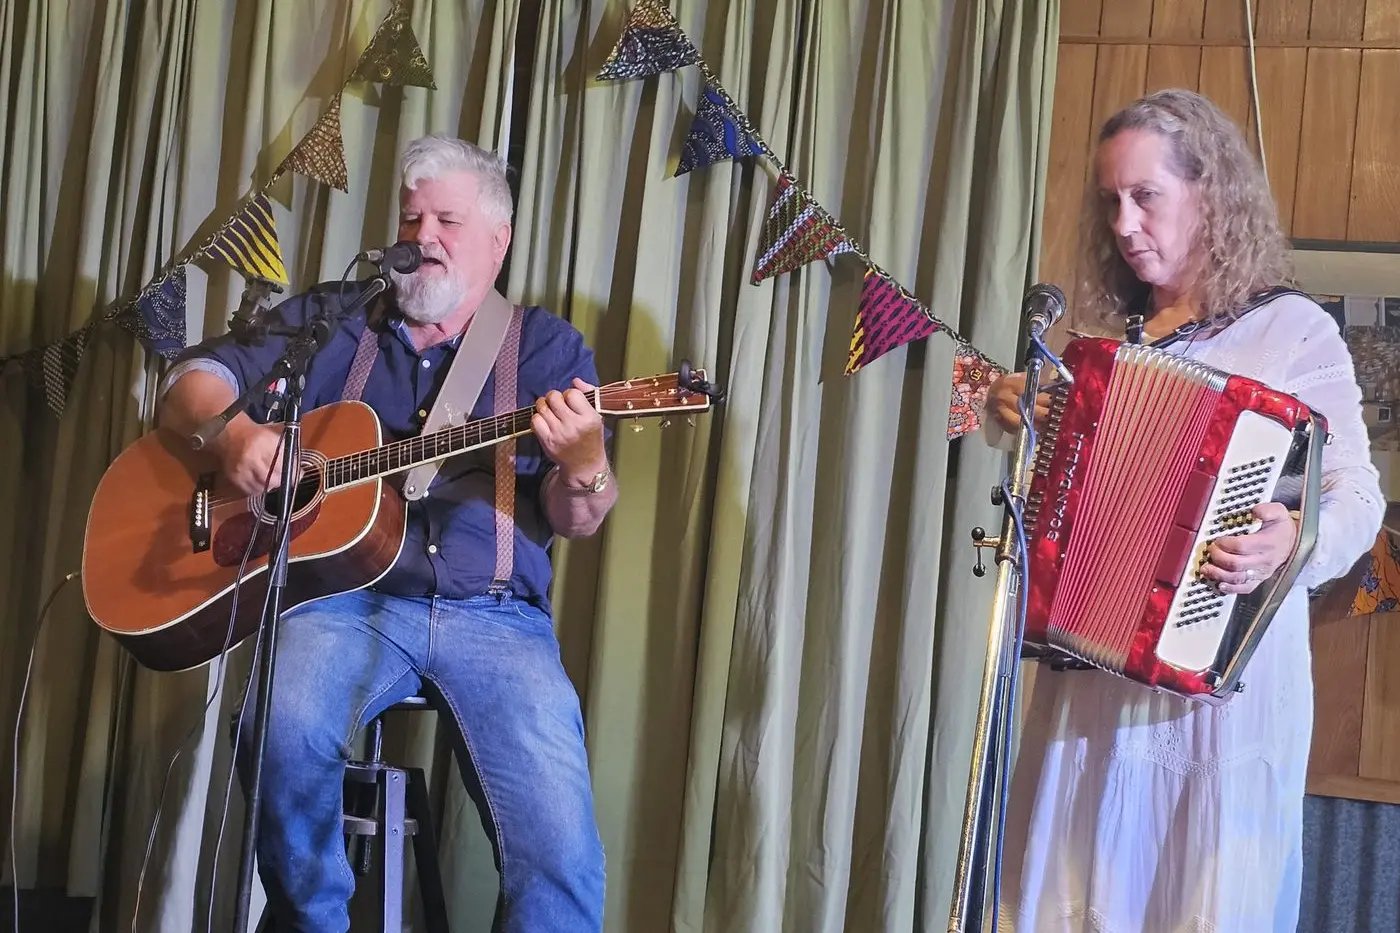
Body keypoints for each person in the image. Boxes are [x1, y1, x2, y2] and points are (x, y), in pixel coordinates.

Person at [158, 135, 615, 932]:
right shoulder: (334, 323)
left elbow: (579, 516)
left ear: (498, 241)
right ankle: (314, 921)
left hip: (495, 615)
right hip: (342, 602)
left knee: (562, 854)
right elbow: (187, 385)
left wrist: (585, 462)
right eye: (412, 218)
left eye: (447, 219)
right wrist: (234, 441)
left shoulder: (545, 349)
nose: (423, 237)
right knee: (279, 722)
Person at [983, 89, 1385, 931]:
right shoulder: (1109, 342)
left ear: (1210, 194)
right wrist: (1024, 419)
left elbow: (1356, 495)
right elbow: (1062, 507)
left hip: (1216, 710)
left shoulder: (1292, 334)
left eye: (1145, 196)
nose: (1125, 222)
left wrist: (1291, 540)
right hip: (1090, 693)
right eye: (1110, 200)